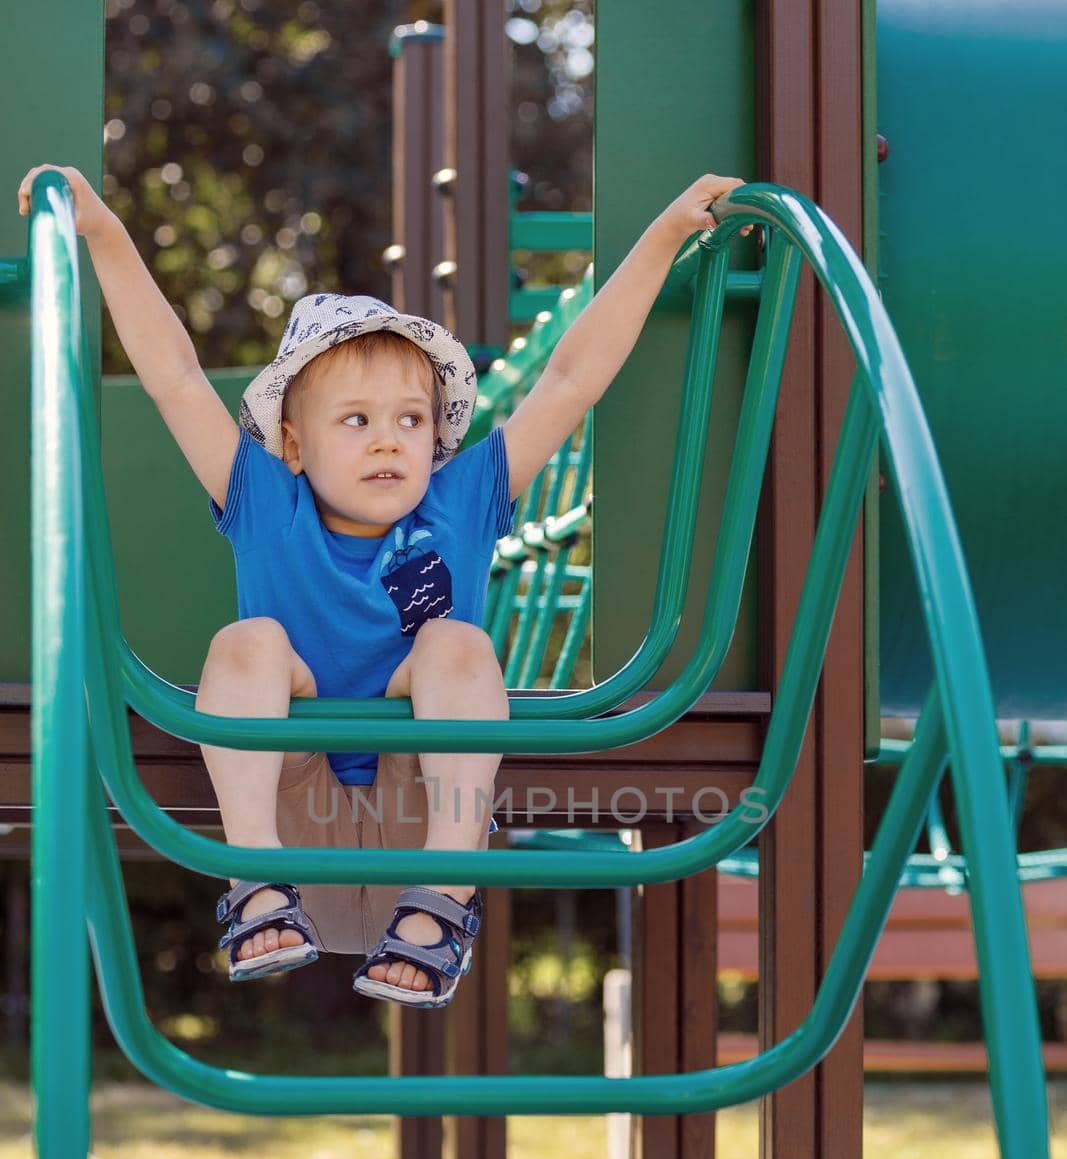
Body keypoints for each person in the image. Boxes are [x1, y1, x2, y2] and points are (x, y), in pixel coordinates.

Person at [17, 161, 749, 1007]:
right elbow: (176, 377)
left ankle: (449, 895)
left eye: (410, 419)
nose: (389, 441)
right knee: (247, 644)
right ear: (292, 444)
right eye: (355, 421)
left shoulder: (464, 499)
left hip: (427, 825)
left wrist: (663, 236)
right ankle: (249, 885)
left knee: (456, 643)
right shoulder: (264, 501)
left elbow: (570, 379)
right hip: (287, 822)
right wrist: (104, 233)